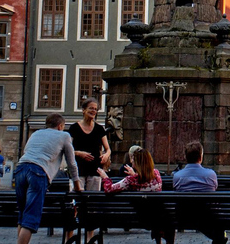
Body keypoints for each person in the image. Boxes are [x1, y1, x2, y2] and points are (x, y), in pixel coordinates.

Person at [14, 113, 82, 244]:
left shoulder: (36, 134)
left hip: (21, 169)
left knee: (23, 214)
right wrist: (77, 185)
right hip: (38, 171)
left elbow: (26, 151)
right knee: (30, 218)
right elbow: (72, 163)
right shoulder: (64, 136)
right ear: (60, 126)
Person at [98, 148, 169, 244]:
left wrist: (105, 177)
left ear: (137, 162)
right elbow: (145, 180)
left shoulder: (130, 180)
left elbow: (109, 189)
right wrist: (135, 174)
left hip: (140, 217)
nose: (131, 161)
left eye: (133, 159)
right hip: (157, 217)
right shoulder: (156, 174)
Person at [172, 141, 227, 243]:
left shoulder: (177, 176)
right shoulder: (211, 175)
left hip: (184, 217)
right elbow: (214, 188)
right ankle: (220, 238)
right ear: (201, 157)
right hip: (206, 217)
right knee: (219, 231)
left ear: (186, 157)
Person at [69, 98, 111, 192]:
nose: (94, 111)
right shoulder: (74, 128)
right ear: (84, 110)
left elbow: (108, 149)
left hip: (94, 169)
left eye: (96, 109)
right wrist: (79, 153)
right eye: (91, 108)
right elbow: (68, 149)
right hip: (78, 169)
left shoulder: (99, 129)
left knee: (93, 199)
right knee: (76, 198)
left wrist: (106, 155)